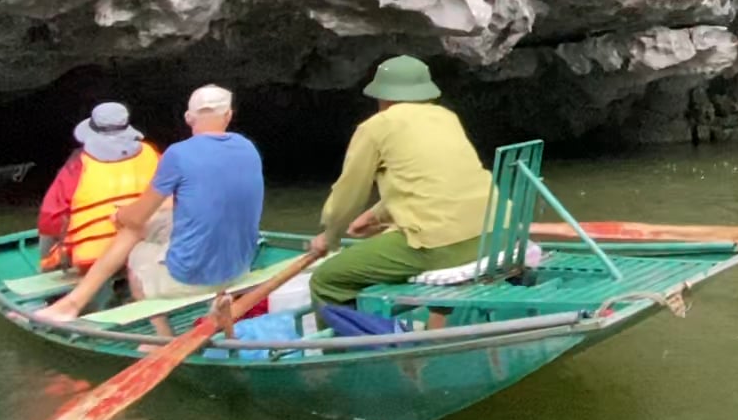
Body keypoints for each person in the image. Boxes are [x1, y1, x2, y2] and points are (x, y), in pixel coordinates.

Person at [31, 85, 263, 331]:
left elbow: (136, 218)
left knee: (135, 243)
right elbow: (184, 200)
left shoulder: (178, 154)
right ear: (228, 115)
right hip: (240, 269)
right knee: (155, 223)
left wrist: (120, 214)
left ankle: (158, 336)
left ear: (188, 118)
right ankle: (74, 303)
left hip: (189, 281)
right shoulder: (247, 148)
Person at [308, 56, 492, 317]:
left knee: (326, 281)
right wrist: (375, 217)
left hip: (438, 245)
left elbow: (348, 194)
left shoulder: (375, 127)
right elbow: (431, 183)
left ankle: (352, 341)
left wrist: (330, 236)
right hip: (493, 234)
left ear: (383, 97)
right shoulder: (447, 117)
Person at [35, 103, 161, 273]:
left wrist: (48, 258)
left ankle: (46, 273)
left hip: (93, 259)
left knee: (50, 230)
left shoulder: (78, 164)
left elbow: (50, 218)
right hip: (148, 250)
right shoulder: (152, 155)